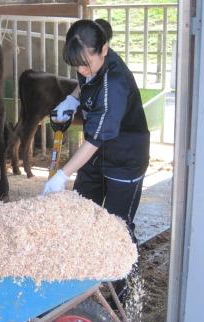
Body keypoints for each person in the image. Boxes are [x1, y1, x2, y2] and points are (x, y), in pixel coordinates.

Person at [43, 19, 150, 246]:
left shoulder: (115, 83)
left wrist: (62, 175)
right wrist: (71, 99)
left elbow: (94, 139)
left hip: (124, 157)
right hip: (95, 155)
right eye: (76, 66)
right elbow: (84, 81)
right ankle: (87, 278)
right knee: (81, 213)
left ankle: (125, 281)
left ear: (104, 49)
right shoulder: (90, 64)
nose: (81, 70)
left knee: (117, 228)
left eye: (85, 65)